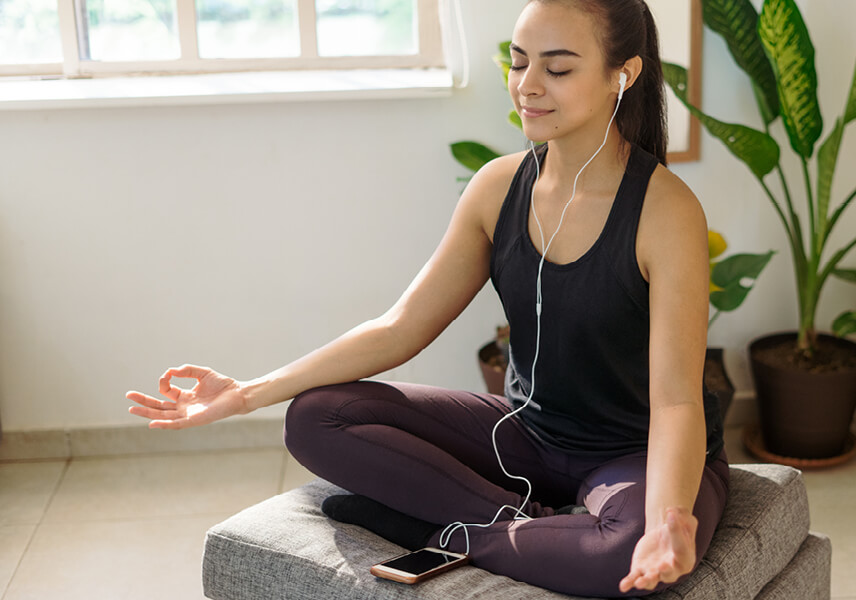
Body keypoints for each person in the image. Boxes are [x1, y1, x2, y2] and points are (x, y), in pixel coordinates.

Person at [126, 0, 729, 596]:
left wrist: (670, 517)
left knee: (623, 551)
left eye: (558, 68)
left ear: (622, 74)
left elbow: (677, 401)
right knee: (315, 417)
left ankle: (447, 530)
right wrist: (246, 392)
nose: (529, 86)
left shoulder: (665, 211)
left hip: (634, 452)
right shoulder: (498, 187)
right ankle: (523, 528)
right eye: (520, 64)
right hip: (525, 435)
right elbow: (401, 327)